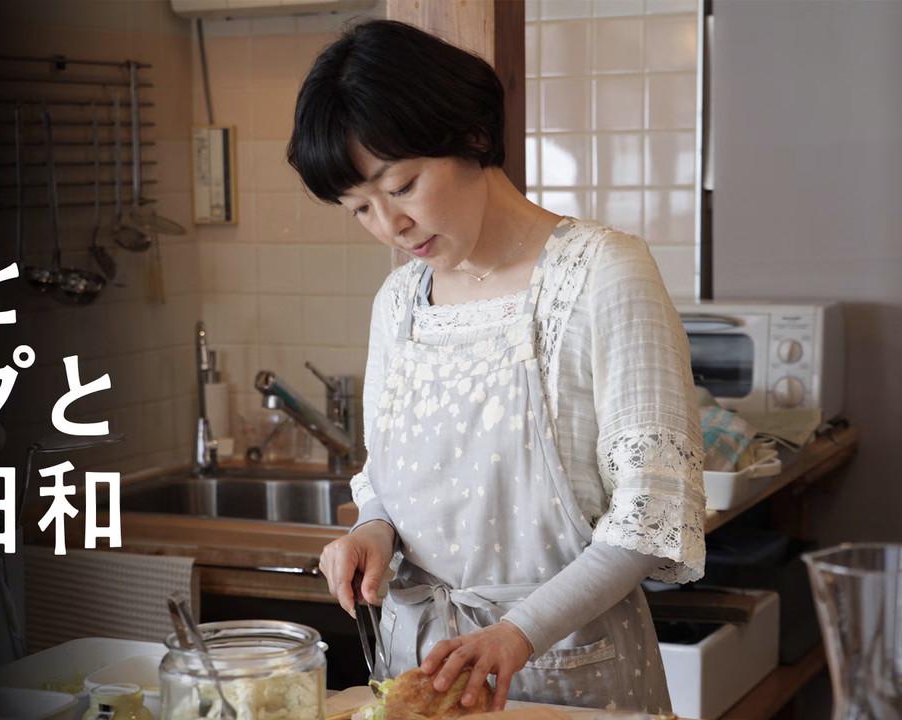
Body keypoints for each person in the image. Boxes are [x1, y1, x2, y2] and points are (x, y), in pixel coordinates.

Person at [287, 20, 705, 715]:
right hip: (417, 672)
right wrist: (371, 531)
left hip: (569, 673)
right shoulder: (399, 301)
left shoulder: (602, 274)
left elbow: (650, 515)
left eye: (403, 186)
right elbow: (386, 480)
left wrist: (519, 633)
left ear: (473, 137)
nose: (388, 226)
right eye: (359, 208)